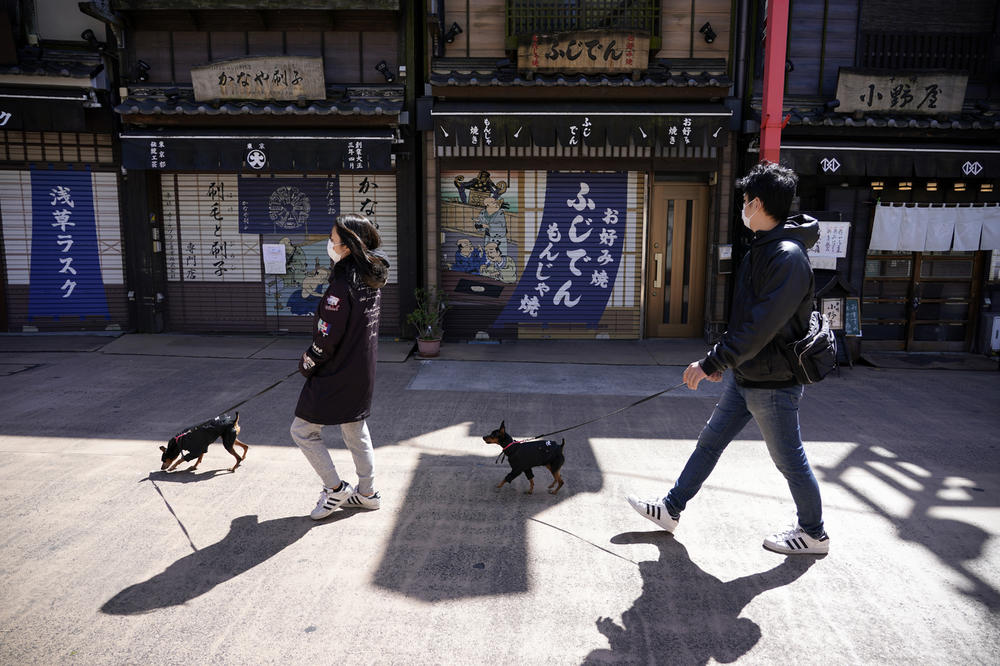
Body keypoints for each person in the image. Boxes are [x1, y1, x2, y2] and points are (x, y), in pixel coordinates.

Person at [627, 162, 830, 555]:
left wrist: (712, 363)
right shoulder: (764, 249)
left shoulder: (787, 256)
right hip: (749, 374)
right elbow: (744, 320)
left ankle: (814, 534)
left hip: (774, 382)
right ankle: (671, 508)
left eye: (745, 200)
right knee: (710, 442)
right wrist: (724, 361)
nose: (742, 207)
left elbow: (760, 326)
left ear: (758, 204)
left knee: (789, 460)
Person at [291, 213, 390, 520]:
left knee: (302, 431)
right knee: (355, 429)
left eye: (332, 240)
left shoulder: (341, 286)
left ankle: (335, 488)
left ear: (347, 246)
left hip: (336, 371)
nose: (329, 244)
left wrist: (307, 362)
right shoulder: (371, 278)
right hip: (362, 370)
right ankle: (368, 493)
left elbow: (326, 337)